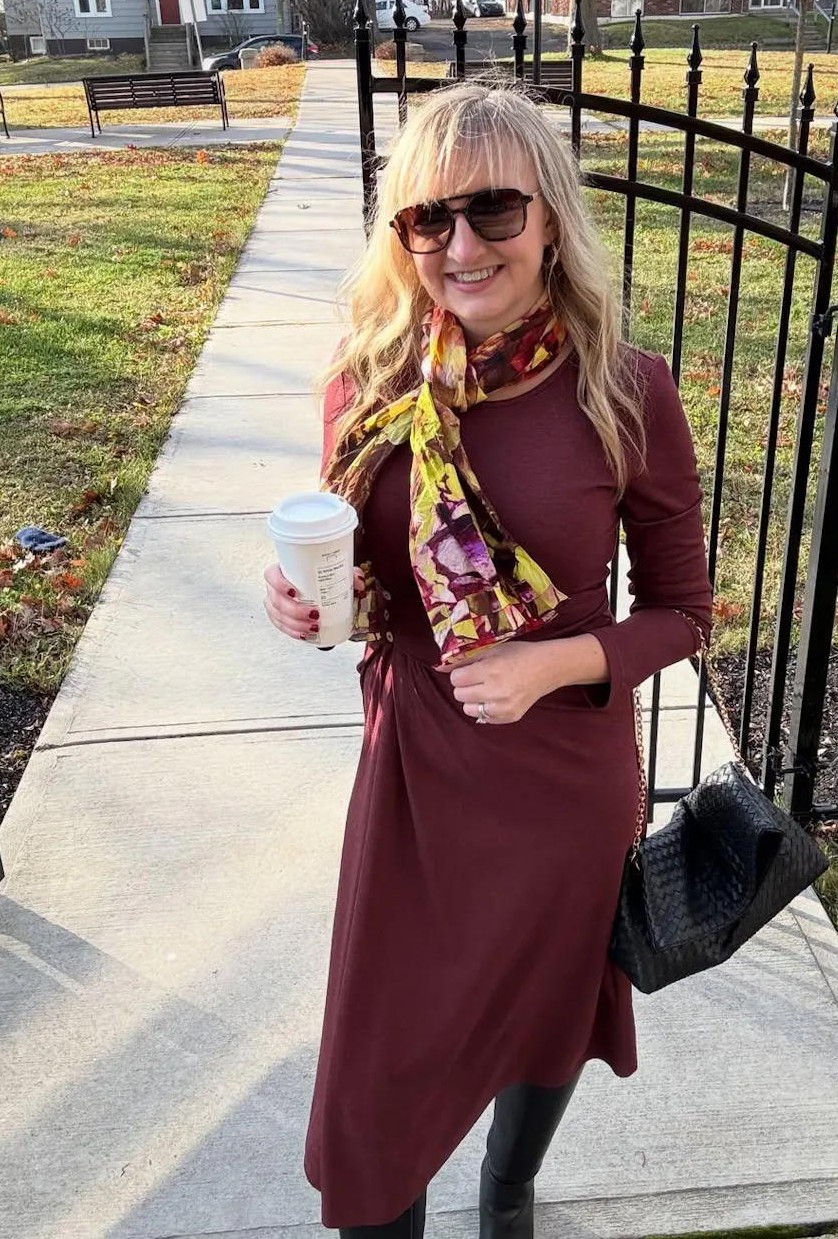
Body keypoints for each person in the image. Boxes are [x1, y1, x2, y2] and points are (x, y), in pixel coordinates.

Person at [263, 83, 713, 1238]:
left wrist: (550, 666)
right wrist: (304, 601)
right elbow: (360, 578)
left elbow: (682, 613)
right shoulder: (366, 386)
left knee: (548, 1008)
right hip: (415, 773)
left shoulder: (625, 390)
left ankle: (507, 1194)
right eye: (429, 218)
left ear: (549, 218)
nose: (461, 247)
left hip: (563, 782)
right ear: (401, 235)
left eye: (494, 211)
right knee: (380, 1077)